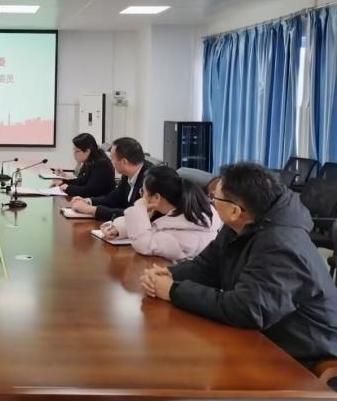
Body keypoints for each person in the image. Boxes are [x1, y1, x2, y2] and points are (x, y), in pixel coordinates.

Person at [141, 162, 337, 367]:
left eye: (213, 198)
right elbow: (207, 267)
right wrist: (169, 274)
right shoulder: (243, 223)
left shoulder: (282, 245)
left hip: (306, 356)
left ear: (235, 211)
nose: (210, 202)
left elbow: (246, 309)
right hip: (266, 337)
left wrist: (173, 291)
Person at [102, 166, 222, 262]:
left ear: (156, 197)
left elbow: (144, 244)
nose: (141, 196)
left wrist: (139, 208)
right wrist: (119, 229)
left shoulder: (183, 232)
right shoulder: (182, 211)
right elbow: (148, 225)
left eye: (143, 191)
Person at [71, 137, 152, 220]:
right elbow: (115, 197)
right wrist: (88, 201)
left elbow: (134, 214)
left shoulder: (150, 179)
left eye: (112, 158)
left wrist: (92, 210)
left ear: (124, 162)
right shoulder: (128, 171)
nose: (110, 161)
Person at [51, 133, 114, 198]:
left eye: (77, 151)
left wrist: (68, 188)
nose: (74, 154)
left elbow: (89, 191)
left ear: (87, 151)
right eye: (74, 150)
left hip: (99, 202)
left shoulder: (101, 164)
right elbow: (80, 181)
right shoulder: (90, 161)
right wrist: (63, 182)